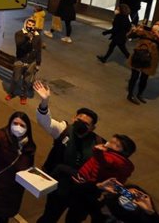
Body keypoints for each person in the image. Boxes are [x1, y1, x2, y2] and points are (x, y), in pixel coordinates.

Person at [33, 81, 105, 223]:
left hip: (81, 193)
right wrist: (44, 101)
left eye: (86, 124)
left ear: (92, 128)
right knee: (49, 217)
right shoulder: (64, 130)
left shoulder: (99, 143)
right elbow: (45, 122)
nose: (80, 125)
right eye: (78, 120)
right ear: (73, 118)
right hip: (59, 187)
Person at [67, 135, 137, 222]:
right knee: (81, 211)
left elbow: (103, 161)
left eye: (116, 145)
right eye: (111, 141)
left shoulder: (114, 159)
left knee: (75, 212)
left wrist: (97, 150)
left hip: (90, 185)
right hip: (95, 188)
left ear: (124, 152)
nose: (110, 144)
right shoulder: (120, 161)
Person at [126, 20, 159, 104]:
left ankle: (140, 94)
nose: (156, 26)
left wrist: (158, 36)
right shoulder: (145, 32)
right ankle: (130, 94)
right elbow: (130, 36)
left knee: (144, 78)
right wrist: (134, 30)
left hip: (150, 60)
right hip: (138, 57)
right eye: (155, 24)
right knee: (134, 77)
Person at [6, 18, 42, 104]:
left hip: (31, 62)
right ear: (25, 24)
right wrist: (27, 38)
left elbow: (38, 50)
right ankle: (11, 93)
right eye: (29, 25)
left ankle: (23, 95)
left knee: (27, 81)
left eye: (33, 25)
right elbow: (19, 46)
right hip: (20, 60)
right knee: (16, 78)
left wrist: (38, 63)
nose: (31, 27)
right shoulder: (19, 34)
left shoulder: (37, 36)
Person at [95, 178, 159, 223]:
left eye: (137, 199)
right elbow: (85, 197)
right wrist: (98, 186)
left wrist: (150, 212)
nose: (132, 199)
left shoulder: (142, 218)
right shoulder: (102, 210)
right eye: (128, 196)